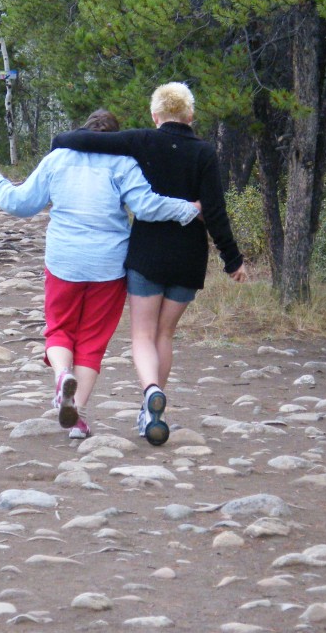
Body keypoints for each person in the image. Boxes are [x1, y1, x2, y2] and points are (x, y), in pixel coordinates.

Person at [0, 109, 201, 440]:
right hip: (108, 267)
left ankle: (62, 376)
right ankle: (76, 415)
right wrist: (189, 209)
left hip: (64, 262)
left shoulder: (58, 159)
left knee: (60, 329)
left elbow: (19, 203)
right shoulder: (123, 163)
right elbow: (147, 206)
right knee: (92, 342)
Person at [52, 83, 246, 446]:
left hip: (147, 255)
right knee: (165, 335)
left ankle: (151, 388)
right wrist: (232, 259)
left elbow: (90, 141)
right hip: (189, 258)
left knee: (142, 334)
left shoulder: (142, 140)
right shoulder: (205, 152)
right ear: (191, 116)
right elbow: (215, 211)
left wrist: (61, 139)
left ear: (155, 116)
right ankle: (151, 410)